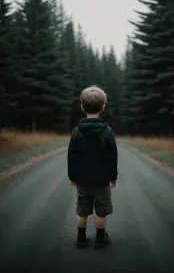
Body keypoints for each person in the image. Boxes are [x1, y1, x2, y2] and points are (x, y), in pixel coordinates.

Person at [67, 85, 118, 248]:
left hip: (83, 180)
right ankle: (100, 239)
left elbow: (72, 156)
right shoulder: (108, 131)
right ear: (103, 107)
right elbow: (112, 156)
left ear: (82, 107)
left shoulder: (76, 132)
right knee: (101, 211)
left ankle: (81, 238)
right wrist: (113, 176)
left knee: (82, 210)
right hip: (102, 180)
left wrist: (72, 176)